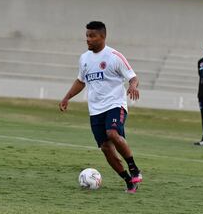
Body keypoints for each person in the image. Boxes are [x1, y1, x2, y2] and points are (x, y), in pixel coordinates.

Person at [59, 21, 142, 193]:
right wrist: (67, 97)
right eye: (87, 36)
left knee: (112, 133)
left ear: (102, 37)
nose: (88, 39)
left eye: (92, 36)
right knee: (105, 147)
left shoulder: (114, 56)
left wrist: (133, 86)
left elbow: (132, 77)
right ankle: (128, 180)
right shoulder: (84, 59)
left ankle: (134, 168)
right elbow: (81, 81)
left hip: (115, 104)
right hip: (95, 110)